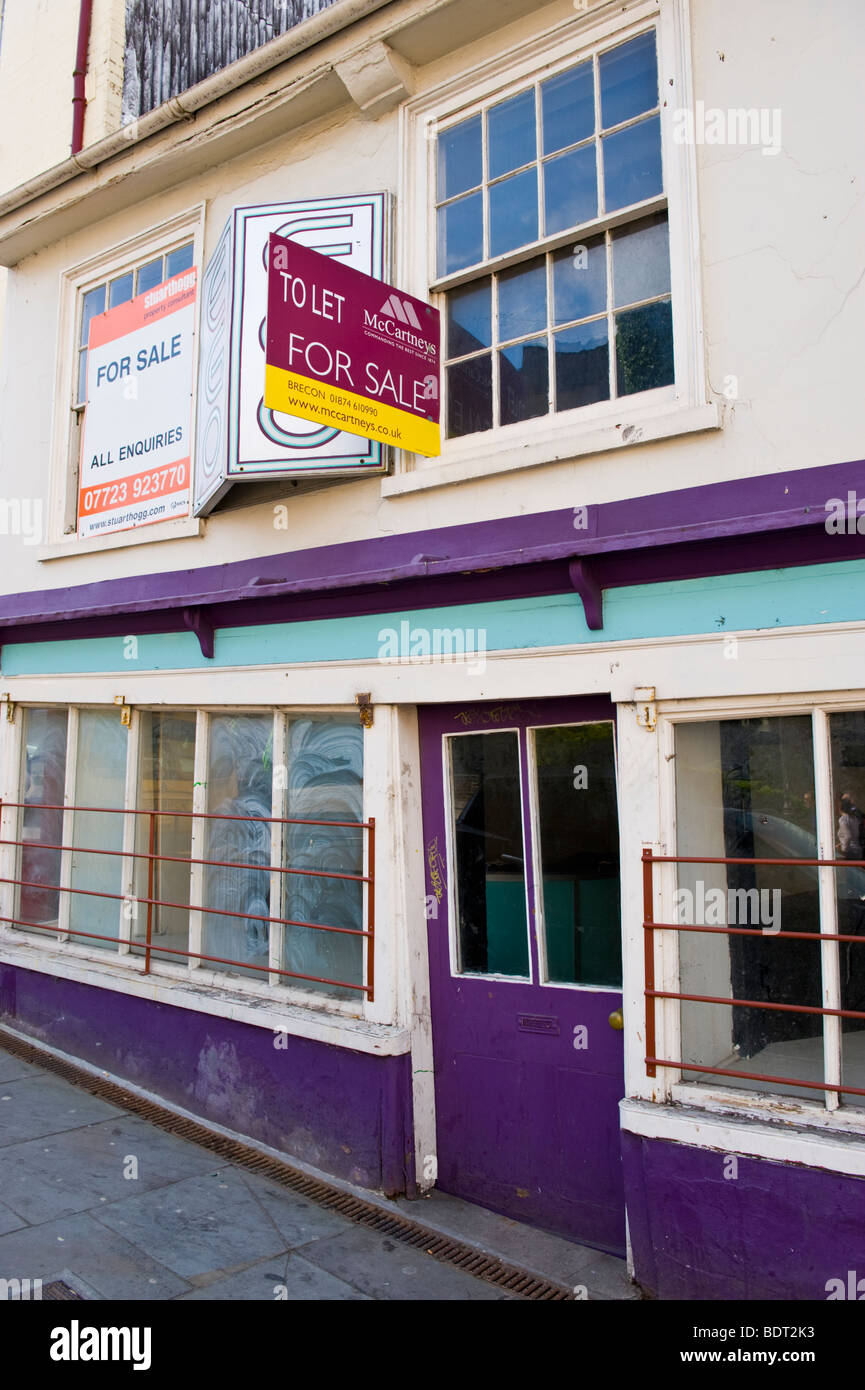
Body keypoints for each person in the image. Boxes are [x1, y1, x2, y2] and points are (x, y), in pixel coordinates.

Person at [837, 794, 865, 860]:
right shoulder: (854, 818)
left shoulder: (843, 819)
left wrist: (843, 849)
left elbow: (848, 836)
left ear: (840, 808)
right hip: (858, 850)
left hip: (850, 852)